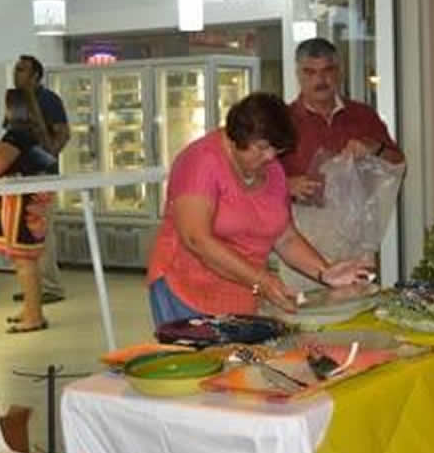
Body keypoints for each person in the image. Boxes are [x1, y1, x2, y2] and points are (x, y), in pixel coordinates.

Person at [146, 93, 372, 325]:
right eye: (262, 148)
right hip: (188, 292)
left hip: (241, 296)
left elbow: (284, 237)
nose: (270, 157)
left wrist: (325, 272)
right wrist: (262, 280)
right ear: (236, 137)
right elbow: (196, 239)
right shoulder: (200, 161)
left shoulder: (273, 170)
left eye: (276, 150)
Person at [282, 38, 403, 202]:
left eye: (328, 70)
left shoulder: (364, 115)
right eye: (310, 72)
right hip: (298, 217)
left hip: (358, 216)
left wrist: (375, 148)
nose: (320, 80)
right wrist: (286, 185)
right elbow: (253, 177)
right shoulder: (282, 120)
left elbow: (399, 165)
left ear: (339, 72)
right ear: (298, 75)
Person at [0, 90, 59, 334]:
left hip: (21, 204)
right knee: (27, 261)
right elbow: (46, 163)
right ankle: (30, 309)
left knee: (24, 261)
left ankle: (34, 316)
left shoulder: (16, 136)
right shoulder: (34, 134)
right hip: (33, 202)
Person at [8, 55, 70, 306]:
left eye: (22, 70)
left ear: (35, 76)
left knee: (40, 232)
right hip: (21, 176)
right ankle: (33, 286)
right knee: (24, 233)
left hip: (42, 176)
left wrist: (47, 157)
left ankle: (51, 286)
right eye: (16, 69)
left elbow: (63, 134)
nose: (16, 74)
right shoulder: (15, 101)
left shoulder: (49, 100)